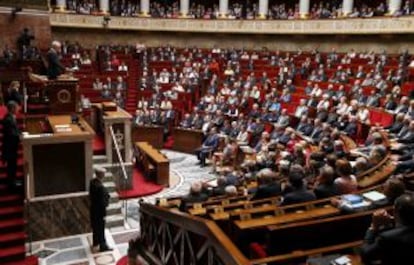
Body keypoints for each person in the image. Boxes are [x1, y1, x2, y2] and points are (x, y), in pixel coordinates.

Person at [360, 192, 414, 265]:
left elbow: (366, 255)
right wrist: (391, 223)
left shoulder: (387, 237)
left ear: (395, 212)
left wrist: (373, 228)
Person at [89, 167, 112, 252]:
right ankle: (103, 246)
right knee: (101, 229)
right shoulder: (100, 187)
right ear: (102, 175)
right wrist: (104, 214)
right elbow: (102, 203)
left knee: (95, 228)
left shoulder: (92, 182)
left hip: (93, 210)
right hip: (99, 212)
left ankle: (95, 243)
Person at [1, 101, 20, 190]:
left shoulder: (11, 117)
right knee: (11, 165)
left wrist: (20, 134)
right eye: (16, 107)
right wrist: (20, 136)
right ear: (12, 108)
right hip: (10, 147)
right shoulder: (8, 119)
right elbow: (12, 134)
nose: (18, 109)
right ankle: (11, 183)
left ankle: (13, 180)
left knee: (13, 164)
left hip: (12, 146)